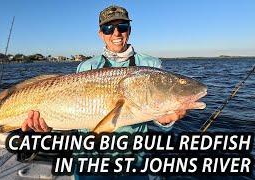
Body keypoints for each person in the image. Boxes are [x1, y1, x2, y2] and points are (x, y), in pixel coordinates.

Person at [21, 5, 186, 133]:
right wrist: (47, 126)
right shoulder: (87, 67)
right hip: (90, 154)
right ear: (101, 33)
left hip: (134, 155)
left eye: (121, 27)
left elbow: (158, 112)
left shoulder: (151, 65)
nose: (116, 34)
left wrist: (165, 121)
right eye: (108, 28)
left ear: (129, 30)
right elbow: (73, 114)